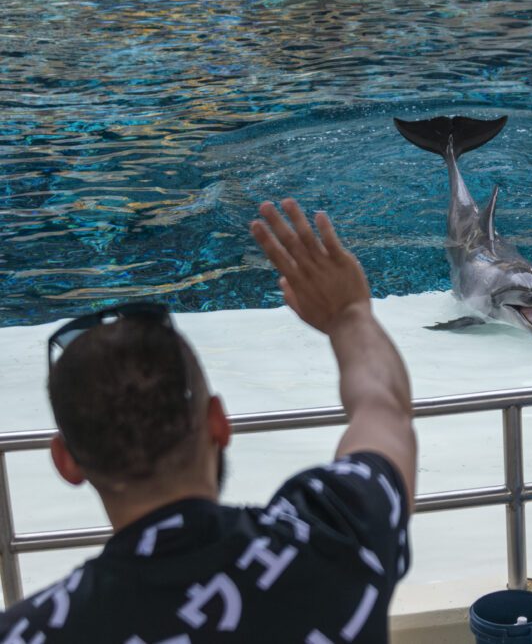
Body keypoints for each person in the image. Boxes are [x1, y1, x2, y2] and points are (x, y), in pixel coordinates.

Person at [0, 199, 416, 642]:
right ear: (218, 422)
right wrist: (349, 314)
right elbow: (383, 409)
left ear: (66, 462)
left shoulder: (29, 632)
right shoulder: (336, 533)